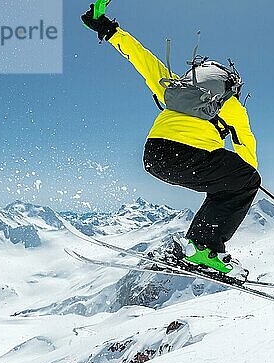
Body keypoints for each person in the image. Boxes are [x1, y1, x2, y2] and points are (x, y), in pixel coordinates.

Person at [81, 5, 260, 281]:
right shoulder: (232, 106)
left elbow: (141, 58)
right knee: (243, 182)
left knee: (229, 183)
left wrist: (108, 29)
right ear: (230, 87)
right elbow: (246, 147)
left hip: (154, 157)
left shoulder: (174, 87)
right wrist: (247, 180)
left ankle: (197, 246)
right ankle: (204, 248)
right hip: (192, 157)